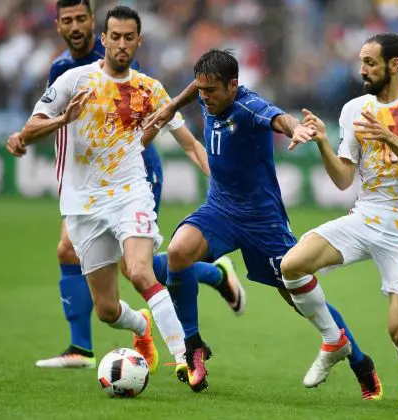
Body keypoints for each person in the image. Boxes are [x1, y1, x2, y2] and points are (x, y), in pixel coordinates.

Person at [6, 0, 244, 373]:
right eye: (114, 36)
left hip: (133, 189)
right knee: (107, 308)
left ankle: (185, 358)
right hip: (83, 202)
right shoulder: (73, 79)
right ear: (105, 38)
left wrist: (220, 180)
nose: (120, 43)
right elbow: (30, 128)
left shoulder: (148, 89)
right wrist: (63, 120)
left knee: (139, 271)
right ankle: (147, 320)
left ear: (138, 42)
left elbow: (189, 143)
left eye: (127, 38)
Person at [145, 49, 380, 398]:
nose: (204, 97)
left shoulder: (248, 105)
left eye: (211, 91)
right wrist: (173, 105)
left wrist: (297, 129)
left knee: (300, 298)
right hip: (220, 208)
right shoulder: (207, 95)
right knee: (178, 252)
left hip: (262, 222)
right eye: (201, 90)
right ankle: (193, 346)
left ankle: (361, 362)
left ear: (233, 86)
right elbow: (195, 88)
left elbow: (279, 118)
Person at [281, 33, 398, 410]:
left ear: (394, 64)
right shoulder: (354, 109)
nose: (362, 70)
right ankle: (333, 339)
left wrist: (389, 137)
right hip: (366, 216)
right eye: (362, 62)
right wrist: (323, 142)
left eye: (370, 62)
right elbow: (342, 179)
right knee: (292, 265)